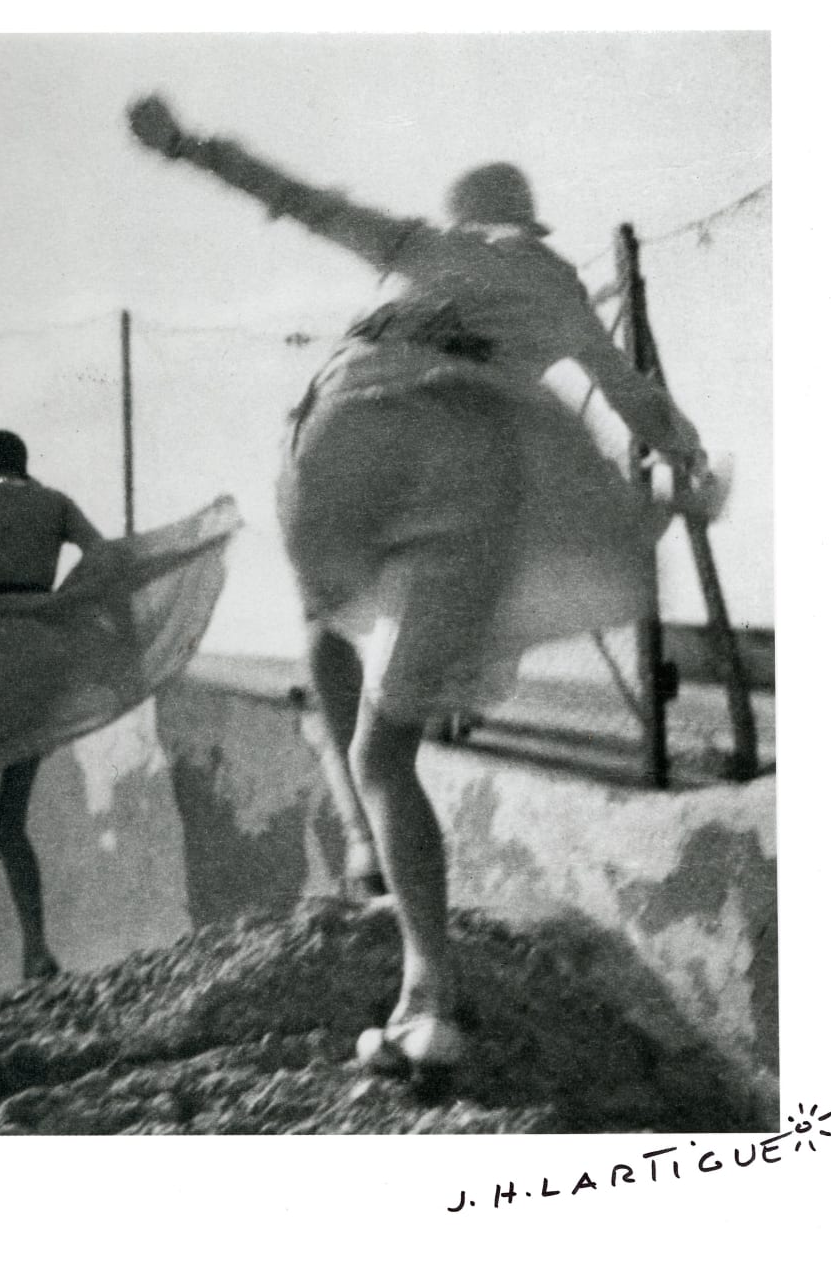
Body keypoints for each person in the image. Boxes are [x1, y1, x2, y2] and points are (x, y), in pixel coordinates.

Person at [127, 94, 720, 1073]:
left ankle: (379, 875)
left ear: (472, 217)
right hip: (482, 479)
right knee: (386, 742)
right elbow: (638, 403)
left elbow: (304, 202)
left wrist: (189, 146)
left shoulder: (435, 248)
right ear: (528, 224)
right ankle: (425, 992)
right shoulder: (563, 291)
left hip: (360, 437)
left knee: (328, 628)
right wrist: (687, 462)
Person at [0, 429, 240, 990]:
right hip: (41, 650)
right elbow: (108, 560)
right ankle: (37, 948)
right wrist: (76, 609)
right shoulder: (54, 503)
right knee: (10, 821)